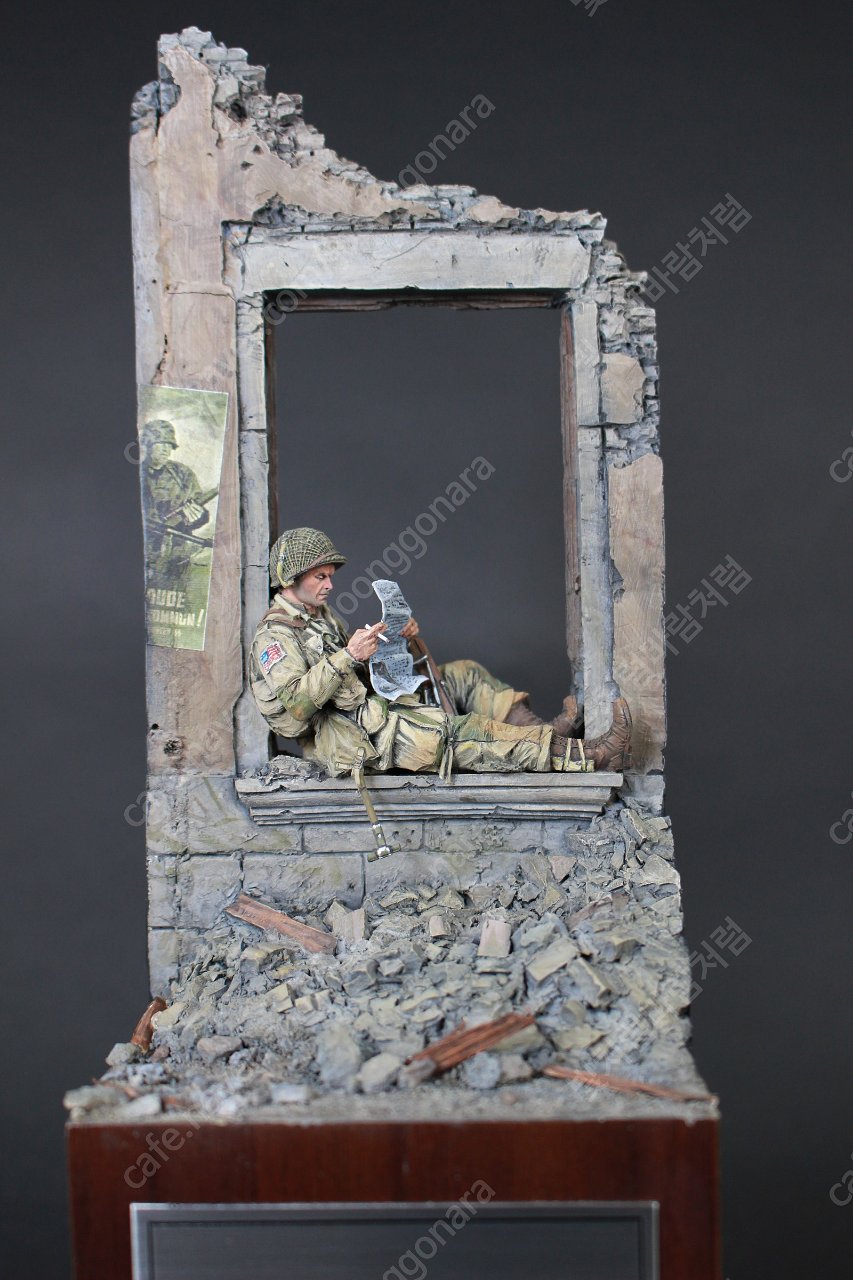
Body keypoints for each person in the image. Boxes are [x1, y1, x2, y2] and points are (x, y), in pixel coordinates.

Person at [248, 527, 630, 779]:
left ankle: (544, 735)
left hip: (369, 709)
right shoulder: (274, 637)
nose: (330, 585)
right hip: (348, 736)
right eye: (321, 577)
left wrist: (392, 639)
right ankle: (587, 756)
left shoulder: (319, 617)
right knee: (466, 734)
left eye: (331, 576)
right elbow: (298, 705)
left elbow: (352, 674)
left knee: (464, 673)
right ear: (291, 579)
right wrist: (349, 655)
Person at [140, 419, 212, 587]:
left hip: (175, 555)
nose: (166, 449)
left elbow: (201, 512)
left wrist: (198, 516)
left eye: (169, 444)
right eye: (160, 443)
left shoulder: (182, 474)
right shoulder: (138, 473)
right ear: (148, 444)